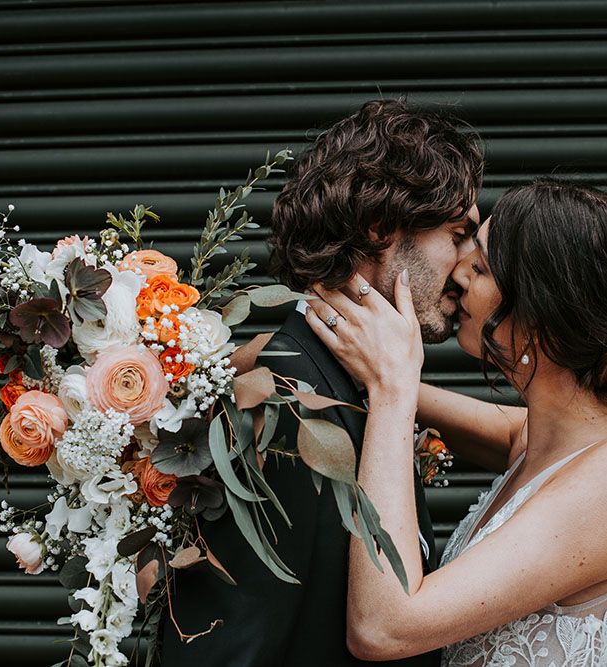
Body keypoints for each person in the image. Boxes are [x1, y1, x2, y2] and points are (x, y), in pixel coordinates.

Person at [159, 99, 483, 667]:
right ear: (381, 227)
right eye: (458, 235)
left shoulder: (358, 383)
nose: (465, 268)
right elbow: (227, 649)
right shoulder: (284, 399)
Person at [306, 179, 607, 666]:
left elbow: (385, 628)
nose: (459, 276)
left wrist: (393, 392)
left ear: (542, 310)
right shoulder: (547, 439)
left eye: (482, 267)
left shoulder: (601, 489)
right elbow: (510, 431)